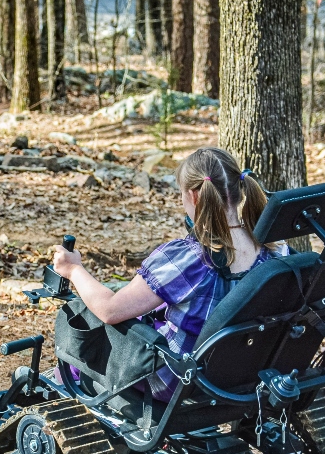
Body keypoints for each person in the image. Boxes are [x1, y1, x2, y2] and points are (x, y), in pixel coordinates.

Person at [50, 147, 289, 401]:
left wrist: (73, 269)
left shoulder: (187, 258)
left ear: (194, 196)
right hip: (240, 373)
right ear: (240, 190)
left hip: (178, 382)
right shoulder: (274, 249)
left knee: (82, 336)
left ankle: (68, 392)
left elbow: (109, 310)